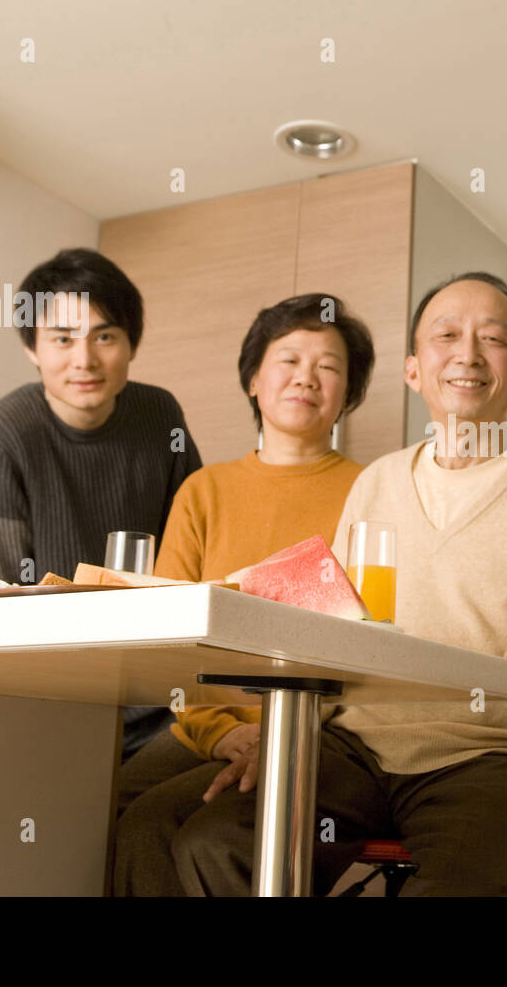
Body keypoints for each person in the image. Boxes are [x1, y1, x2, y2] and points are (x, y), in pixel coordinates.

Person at [169, 272, 507, 896]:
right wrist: (279, 740)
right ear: (413, 369)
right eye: (447, 335)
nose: (467, 353)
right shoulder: (375, 483)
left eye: (493, 339)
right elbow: (336, 639)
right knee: (214, 843)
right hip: (356, 748)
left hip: (496, 756)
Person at [113, 292, 375, 896]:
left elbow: (370, 641)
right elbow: (168, 628)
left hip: (316, 729)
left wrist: (285, 734)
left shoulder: (370, 491)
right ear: (254, 378)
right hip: (201, 723)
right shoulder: (204, 490)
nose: (306, 377)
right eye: (288, 360)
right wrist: (218, 730)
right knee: (80, 811)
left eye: (329, 366)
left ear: (347, 395)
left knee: (161, 829)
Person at [0, 247, 201, 758]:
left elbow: (197, 549)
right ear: (32, 348)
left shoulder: (160, 414)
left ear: (131, 344)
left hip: (165, 694)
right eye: (62, 339)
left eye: (104, 336)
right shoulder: (2, 434)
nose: (84, 360)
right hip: (54, 692)